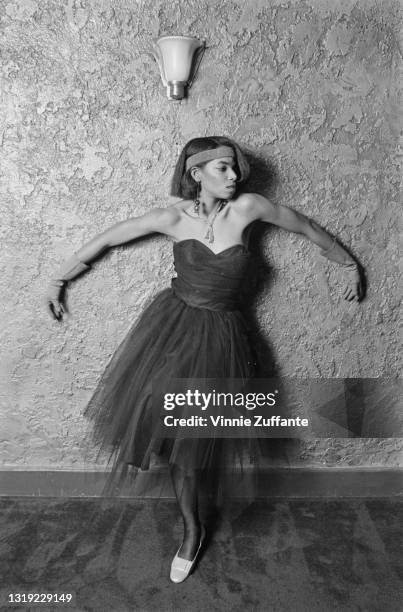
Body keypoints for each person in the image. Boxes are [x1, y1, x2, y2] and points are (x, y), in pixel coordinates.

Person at [46, 136, 363, 583]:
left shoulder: (250, 207)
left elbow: (308, 228)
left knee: (197, 434)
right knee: (175, 431)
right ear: (196, 174)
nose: (234, 176)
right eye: (222, 168)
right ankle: (192, 527)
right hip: (172, 331)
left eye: (234, 168)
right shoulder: (172, 217)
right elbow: (109, 238)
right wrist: (59, 280)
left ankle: (193, 529)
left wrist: (349, 264)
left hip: (224, 337)